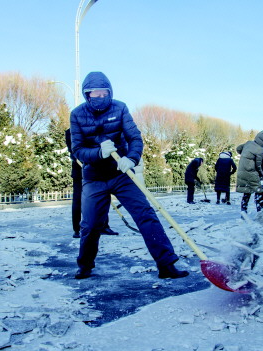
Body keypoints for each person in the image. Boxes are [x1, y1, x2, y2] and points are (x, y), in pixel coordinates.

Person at [69, 71, 188, 280]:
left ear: (109, 92)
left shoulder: (120, 108)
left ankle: (166, 264)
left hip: (121, 173)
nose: (98, 98)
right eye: (93, 94)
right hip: (94, 177)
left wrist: (131, 159)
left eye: (102, 93)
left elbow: (135, 138)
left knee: (146, 215)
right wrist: (98, 153)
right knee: (89, 224)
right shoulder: (77, 114)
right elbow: (77, 150)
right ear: (86, 95)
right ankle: (85, 266)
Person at [65, 128, 118, 238]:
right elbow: (73, 150)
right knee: (79, 199)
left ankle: (103, 226)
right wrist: (77, 157)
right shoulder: (71, 131)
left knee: (103, 197)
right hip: (80, 170)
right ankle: (77, 229)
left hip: (97, 169)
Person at [235, 130, 263, 224]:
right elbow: (258, 165)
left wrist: (246, 155)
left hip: (241, 171)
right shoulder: (260, 150)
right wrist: (261, 174)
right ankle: (260, 213)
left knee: (247, 192)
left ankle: (243, 212)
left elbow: (238, 149)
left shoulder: (248, 143)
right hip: (251, 172)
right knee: (259, 192)